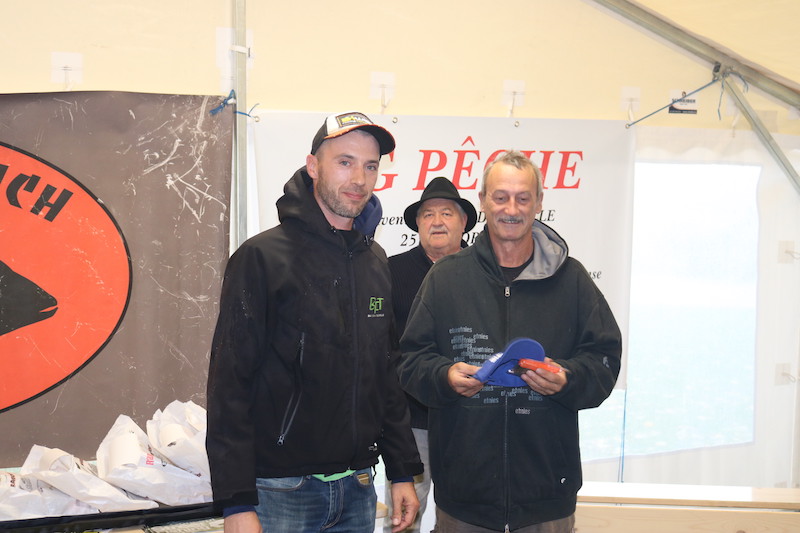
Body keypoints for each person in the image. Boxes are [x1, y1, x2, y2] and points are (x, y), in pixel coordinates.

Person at [206, 111, 423, 533]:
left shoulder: (374, 261)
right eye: (345, 162)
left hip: (358, 487)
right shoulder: (262, 258)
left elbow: (385, 374)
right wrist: (236, 503)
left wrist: (401, 470)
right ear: (313, 166)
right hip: (279, 491)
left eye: (370, 166)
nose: (359, 178)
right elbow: (229, 383)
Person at [398, 150, 622, 532]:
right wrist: (443, 376)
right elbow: (411, 361)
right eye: (500, 197)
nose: (511, 209)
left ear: (539, 202)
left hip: (547, 498)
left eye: (523, 198)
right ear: (483, 201)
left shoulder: (572, 279)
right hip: (463, 500)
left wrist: (567, 379)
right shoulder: (445, 278)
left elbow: (604, 360)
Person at [383, 177, 477, 532]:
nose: (437, 222)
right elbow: (382, 346)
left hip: (470, 419)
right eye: (428, 214)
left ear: (463, 222)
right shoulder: (391, 271)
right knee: (403, 519)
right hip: (411, 423)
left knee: (468, 519)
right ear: (418, 224)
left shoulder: (486, 271)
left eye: (447, 213)